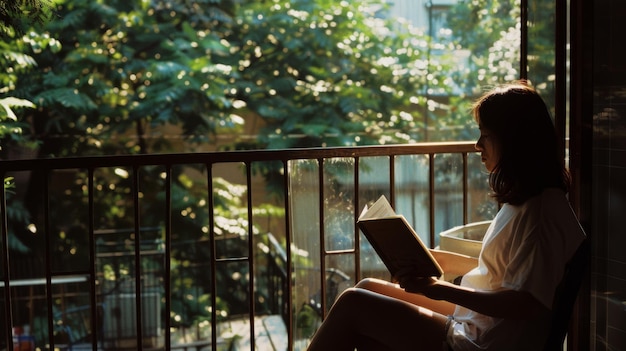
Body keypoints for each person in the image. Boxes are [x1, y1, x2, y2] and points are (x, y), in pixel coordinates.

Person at [306, 81, 587, 351]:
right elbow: (502, 270)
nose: (478, 145)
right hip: (479, 321)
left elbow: (525, 303)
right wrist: (433, 259)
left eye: (485, 135)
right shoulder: (529, 201)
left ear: (513, 141)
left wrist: (438, 289)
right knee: (368, 289)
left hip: (485, 340)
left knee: (354, 304)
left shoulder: (539, 216)